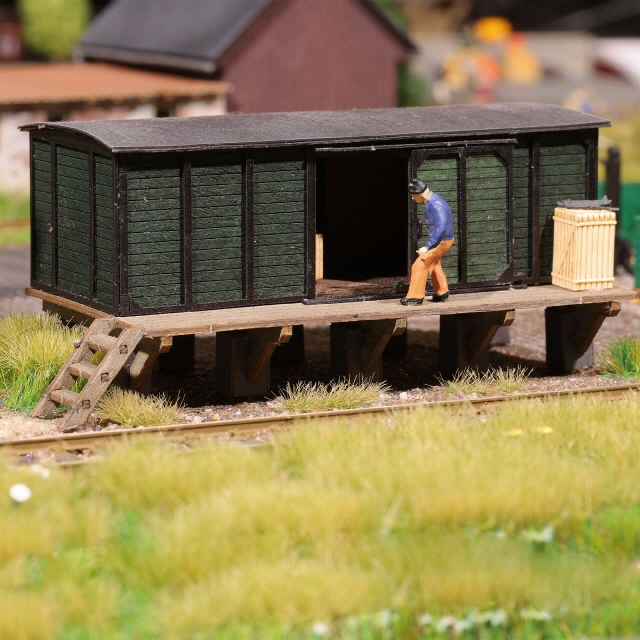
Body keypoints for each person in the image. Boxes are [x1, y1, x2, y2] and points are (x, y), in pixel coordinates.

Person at [401, 179, 454, 305]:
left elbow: (441, 227)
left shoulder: (434, 204)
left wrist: (427, 246)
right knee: (433, 263)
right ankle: (442, 291)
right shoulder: (434, 199)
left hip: (441, 241)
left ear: (421, 194)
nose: (413, 198)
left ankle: (415, 297)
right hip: (443, 240)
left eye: (414, 195)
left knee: (419, 265)